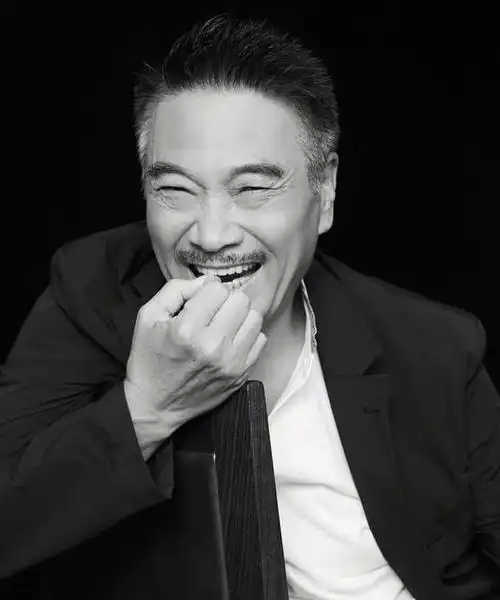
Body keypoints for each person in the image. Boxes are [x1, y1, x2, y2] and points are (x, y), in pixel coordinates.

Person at [0, 13, 498, 600]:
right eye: (175, 189)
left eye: (253, 189)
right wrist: (147, 408)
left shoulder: (434, 346)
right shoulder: (90, 295)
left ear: (325, 191)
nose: (211, 236)